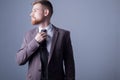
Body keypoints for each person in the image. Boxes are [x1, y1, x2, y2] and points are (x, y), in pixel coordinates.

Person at [16, 0, 75, 80]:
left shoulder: (63, 35)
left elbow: (69, 64)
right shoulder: (29, 35)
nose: (31, 14)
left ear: (46, 12)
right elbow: (20, 60)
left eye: (35, 10)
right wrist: (35, 42)